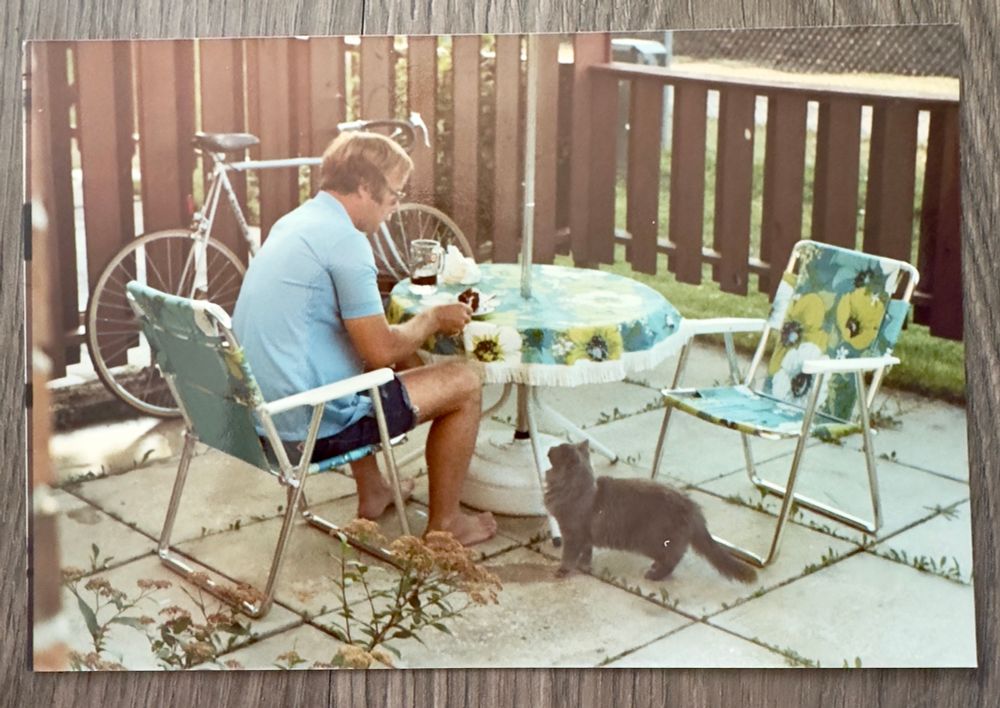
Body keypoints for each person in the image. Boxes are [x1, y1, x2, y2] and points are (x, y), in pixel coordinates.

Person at [232, 132, 497, 546]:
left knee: (363, 357)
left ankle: (374, 492)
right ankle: (446, 526)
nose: (393, 211)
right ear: (363, 187)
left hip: (254, 422)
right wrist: (432, 319)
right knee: (464, 381)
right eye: (393, 197)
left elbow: (362, 342)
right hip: (303, 430)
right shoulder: (346, 242)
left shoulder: (296, 222)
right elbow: (382, 349)